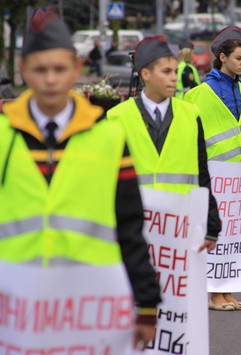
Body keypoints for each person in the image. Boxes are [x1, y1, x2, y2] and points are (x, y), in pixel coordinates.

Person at [0, 8, 160, 349]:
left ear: (76, 68)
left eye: (59, 69)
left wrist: (147, 304)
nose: (50, 79)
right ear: (24, 71)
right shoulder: (3, 136)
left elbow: (129, 225)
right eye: (40, 70)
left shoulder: (108, 139)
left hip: (88, 306)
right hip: (15, 307)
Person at [107, 34, 220, 253]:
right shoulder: (117, 117)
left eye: (175, 72)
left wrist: (211, 224)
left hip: (180, 224)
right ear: (146, 74)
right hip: (135, 224)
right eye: (166, 72)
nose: (173, 78)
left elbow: (201, 172)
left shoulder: (190, 114)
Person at [184, 26, 241, 311]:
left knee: (237, 236)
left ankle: (229, 292)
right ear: (223, 57)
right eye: (239, 58)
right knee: (218, 236)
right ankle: (215, 295)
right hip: (216, 174)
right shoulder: (201, 93)